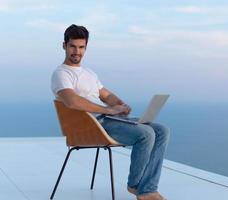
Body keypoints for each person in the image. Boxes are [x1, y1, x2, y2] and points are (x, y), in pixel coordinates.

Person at [51, 24, 170, 200]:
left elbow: (105, 94)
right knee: (145, 134)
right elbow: (72, 101)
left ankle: (148, 188)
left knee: (162, 130)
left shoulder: (89, 73)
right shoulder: (61, 73)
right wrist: (108, 110)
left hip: (107, 120)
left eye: (81, 47)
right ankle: (138, 187)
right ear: (64, 46)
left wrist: (120, 105)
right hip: (90, 127)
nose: (77, 51)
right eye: (73, 46)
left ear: (86, 48)